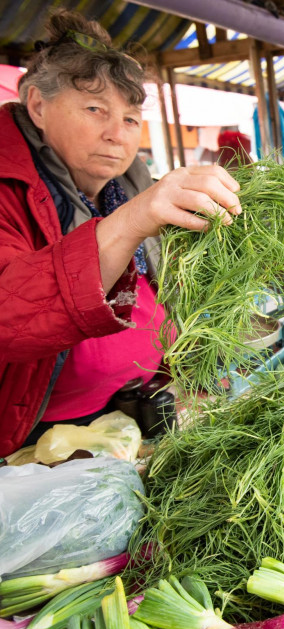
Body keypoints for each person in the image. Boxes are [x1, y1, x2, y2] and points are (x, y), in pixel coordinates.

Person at [0, 10, 242, 457]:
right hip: (46, 439)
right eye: (96, 110)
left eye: (131, 120)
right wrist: (132, 220)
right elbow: (9, 316)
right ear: (37, 105)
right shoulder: (9, 185)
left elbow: (171, 295)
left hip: (140, 408)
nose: (117, 135)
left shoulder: (131, 185)